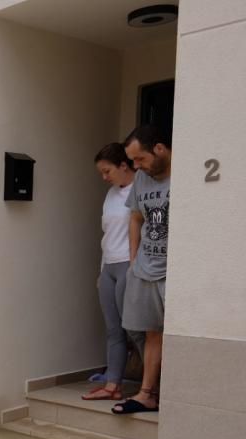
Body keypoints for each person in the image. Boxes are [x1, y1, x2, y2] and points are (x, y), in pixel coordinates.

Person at [113, 125, 171, 415]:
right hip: (146, 268)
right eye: (133, 161)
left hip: (174, 272)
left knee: (171, 334)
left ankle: (168, 394)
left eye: (140, 159)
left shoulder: (183, 176)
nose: (136, 167)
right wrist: (134, 258)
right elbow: (136, 218)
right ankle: (147, 393)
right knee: (150, 333)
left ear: (159, 149)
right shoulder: (142, 181)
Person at [83, 143, 137, 401]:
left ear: (123, 166)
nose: (104, 178)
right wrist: (101, 271)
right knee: (113, 330)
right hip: (109, 266)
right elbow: (108, 234)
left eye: (107, 171)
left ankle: (152, 386)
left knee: (135, 328)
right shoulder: (111, 194)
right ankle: (113, 385)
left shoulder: (142, 188)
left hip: (130, 264)